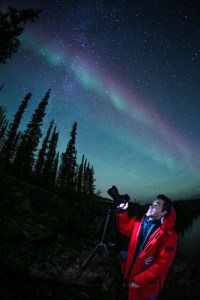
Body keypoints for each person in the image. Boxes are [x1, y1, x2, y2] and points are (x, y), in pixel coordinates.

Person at [116, 194, 178, 300]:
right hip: (132, 276)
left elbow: (162, 264)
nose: (150, 206)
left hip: (148, 285)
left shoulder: (168, 235)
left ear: (163, 212)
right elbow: (123, 228)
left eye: (156, 205)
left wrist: (139, 280)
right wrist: (122, 211)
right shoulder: (140, 221)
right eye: (152, 203)